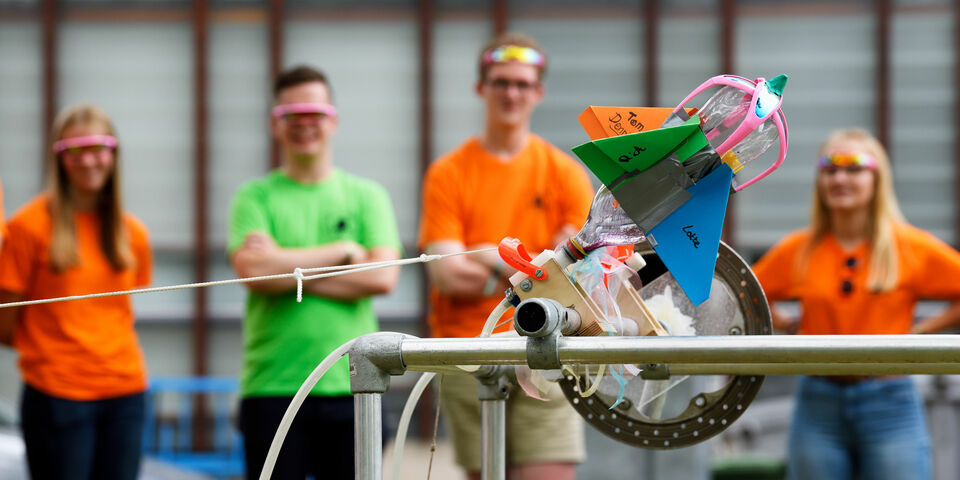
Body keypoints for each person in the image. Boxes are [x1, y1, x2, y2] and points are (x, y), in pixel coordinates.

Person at [418, 33, 594, 480]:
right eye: (500, 82)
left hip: (550, 346)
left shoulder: (565, 174)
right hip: (469, 348)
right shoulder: (449, 174)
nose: (510, 93)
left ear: (538, 92)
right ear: (482, 88)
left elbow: (570, 273)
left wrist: (488, 259)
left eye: (521, 83)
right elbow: (448, 277)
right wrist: (523, 267)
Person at [752, 127, 960, 480]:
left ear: (877, 177)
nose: (839, 178)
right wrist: (787, 323)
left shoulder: (910, 247)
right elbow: (745, 292)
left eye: (853, 167)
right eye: (829, 168)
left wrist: (923, 331)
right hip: (818, 401)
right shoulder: (799, 250)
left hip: (890, 400)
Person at [229, 65, 402, 479]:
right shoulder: (254, 197)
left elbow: (382, 277)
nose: (304, 125)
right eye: (292, 115)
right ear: (275, 123)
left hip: (354, 384)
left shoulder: (367, 196)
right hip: (272, 387)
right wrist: (344, 252)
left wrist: (285, 266)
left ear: (334, 120)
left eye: (314, 113)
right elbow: (253, 272)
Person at [0, 104, 153, 480]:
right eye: (75, 150)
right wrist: (55, 353)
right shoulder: (27, 227)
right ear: (59, 157)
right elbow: (4, 323)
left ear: (113, 154)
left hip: (126, 392)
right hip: (57, 396)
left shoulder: (132, 233)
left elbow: (119, 311)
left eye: (97, 148)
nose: (88, 161)